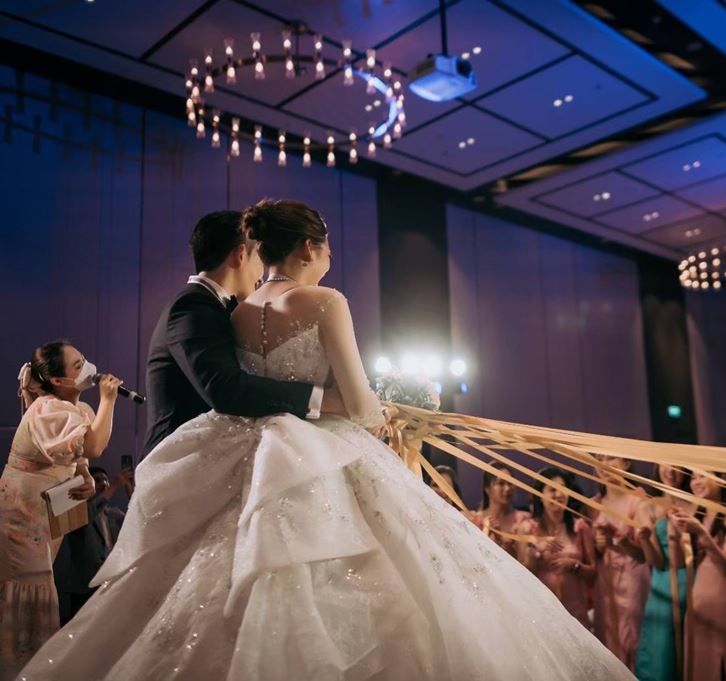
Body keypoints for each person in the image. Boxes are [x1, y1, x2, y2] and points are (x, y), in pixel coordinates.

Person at [18, 199, 634, 681]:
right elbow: (358, 406)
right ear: (312, 247)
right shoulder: (324, 300)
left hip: (249, 453)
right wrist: (383, 409)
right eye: (329, 245)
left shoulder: (236, 312)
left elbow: (249, 386)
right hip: (319, 448)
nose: (331, 255)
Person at [141, 210, 349, 457]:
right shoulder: (191, 306)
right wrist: (319, 399)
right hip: (178, 458)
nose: (263, 274)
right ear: (241, 255)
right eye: (260, 259)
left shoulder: (223, 308)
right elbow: (226, 388)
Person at [1, 342, 120, 680]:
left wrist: (86, 477)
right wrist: (108, 400)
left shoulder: (74, 410)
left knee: (40, 585)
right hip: (20, 517)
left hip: (43, 518)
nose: (89, 368)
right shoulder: (46, 409)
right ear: (58, 381)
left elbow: (77, 455)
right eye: (78, 365)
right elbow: (94, 445)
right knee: (26, 590)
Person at [668, 470, 726, 681]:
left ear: (722, 478)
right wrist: (675, 533)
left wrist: (701, 532)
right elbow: (678, 563)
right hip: (698, 605)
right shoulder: (698, 514)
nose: (696, 482)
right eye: (693, 477)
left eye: (702, 476)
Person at [591, 454, 652, 670]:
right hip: (604, 581)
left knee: (632, 637)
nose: (604, 465)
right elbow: (592, 552)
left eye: (610, 459)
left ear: (626, 463)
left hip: (632, 577)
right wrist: (599, 546)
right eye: (599, 459)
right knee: (606, 637)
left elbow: (645, 554)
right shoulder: (594, 504)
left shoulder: (638, 501)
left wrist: (616, 539)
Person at [635, 463, 692, 681]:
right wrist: (644, 540)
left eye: (678, 466)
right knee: (662, 649)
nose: (671, 470)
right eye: (666, 465)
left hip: (695, 581)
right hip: (663, 583)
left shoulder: (696, 502)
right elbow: (656, 562)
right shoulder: (648, 506)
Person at [53, 466, 130, 624]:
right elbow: (89, 512)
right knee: (80, 629)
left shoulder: (112, 514)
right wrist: (114, 486)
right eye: (97, 480)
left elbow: (134, 520)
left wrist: (131, 492)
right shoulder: (77, 513)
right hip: (84, 587)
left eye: (106, 480)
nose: (103, 484)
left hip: (108, 583)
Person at [521, 467, 596, 629]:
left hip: (575, 610)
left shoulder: (579, 527)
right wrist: (536, 553)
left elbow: (593, 573)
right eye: (552, 490)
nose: (559, 494)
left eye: (563, 489)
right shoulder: (528, 529)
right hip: (542, 612)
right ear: (540, 495)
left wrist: (575, 565)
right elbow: (521, 577)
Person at [471, 462, 532, 558]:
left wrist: (501, 540)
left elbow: (525, 561)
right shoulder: (475, 521)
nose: (507, 488)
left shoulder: (524, 518)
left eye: (510, 483)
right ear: (487, 489)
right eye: (501, 483)